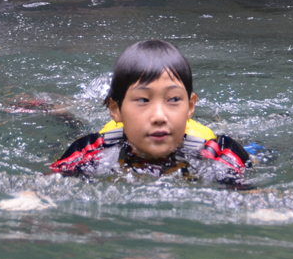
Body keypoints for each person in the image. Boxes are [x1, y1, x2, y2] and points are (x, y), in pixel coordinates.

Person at [50, 40, 253, 187]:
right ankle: (60, 109)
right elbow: (48, 183)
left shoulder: (218, 152)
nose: (159, 116)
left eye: (174, 99)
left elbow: (249, 193)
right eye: (142, 100)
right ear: (115, 109)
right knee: (74, 126)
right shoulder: (91, 149)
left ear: (191, 106)